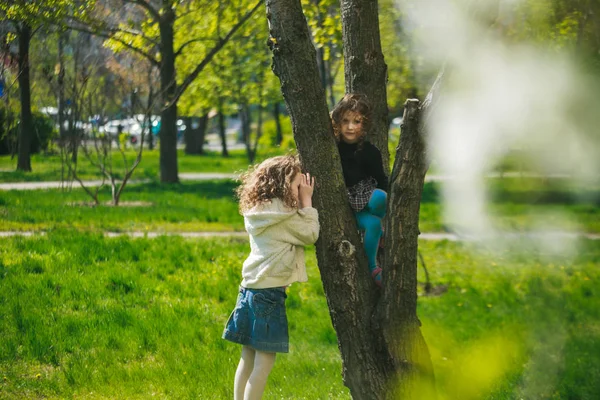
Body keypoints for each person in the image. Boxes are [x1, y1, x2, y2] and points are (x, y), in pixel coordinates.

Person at [222, 154, 319, 400]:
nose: (301, 189)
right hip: (268, 295)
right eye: (298, 185)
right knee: (264, 364)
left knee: (247, 358)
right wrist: (307, 201)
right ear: (285, 186)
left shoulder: (258, 210)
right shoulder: (284, 217)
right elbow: (310, 234)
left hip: (249, 290)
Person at [331, 93, 388, 287]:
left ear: (364, 125)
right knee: (374, 215)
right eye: (345, 121)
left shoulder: (370, 151)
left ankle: (373, 261)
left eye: (356, 121)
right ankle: (373, 261)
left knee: (375, 215)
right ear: (337, 122)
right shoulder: (332, 149)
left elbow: (381, 181)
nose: (350, 127)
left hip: (367, 202)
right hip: (345, 207)